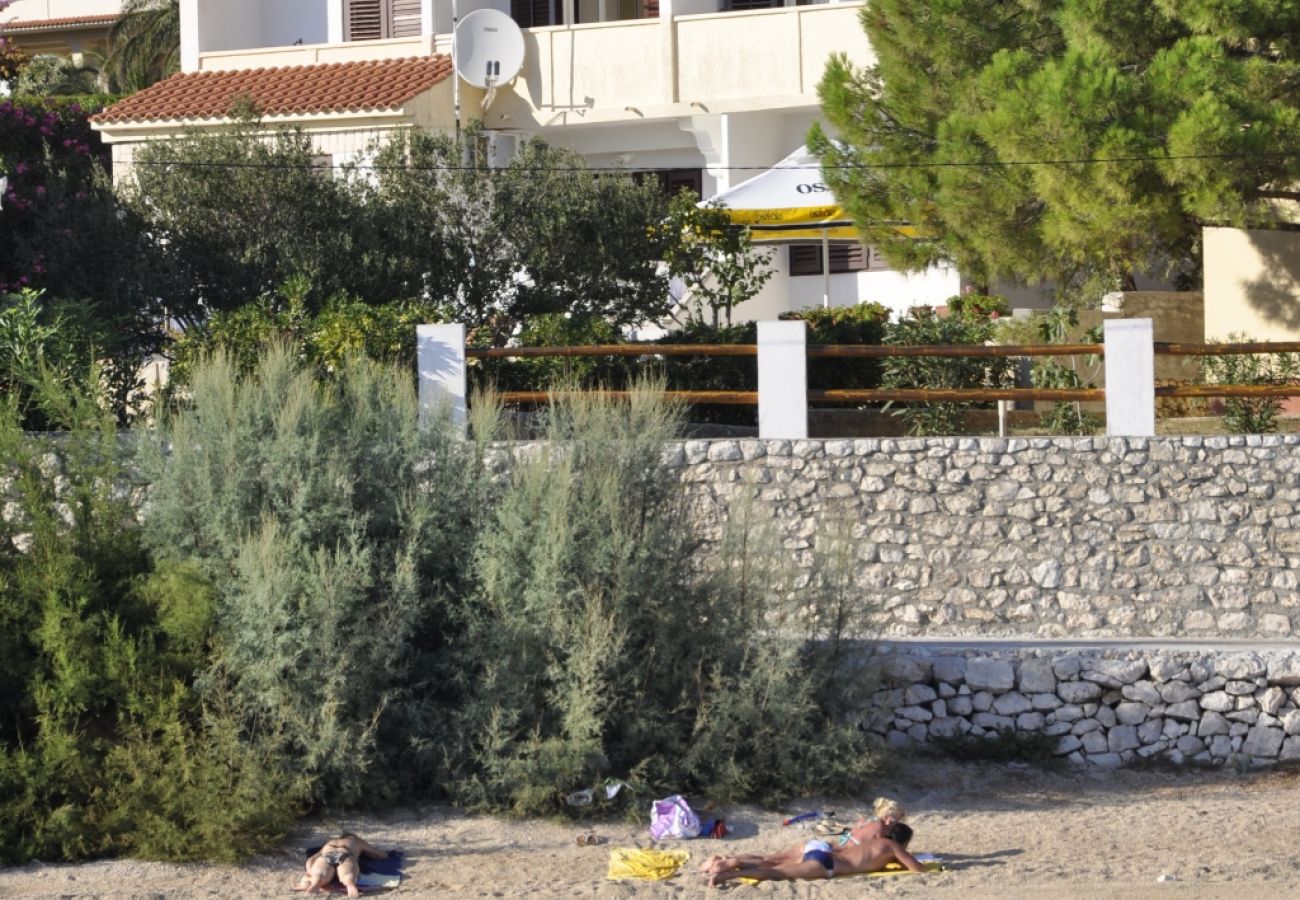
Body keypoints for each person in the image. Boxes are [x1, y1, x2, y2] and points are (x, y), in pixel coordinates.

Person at [699, 796, 907, 877]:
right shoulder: (881, 830)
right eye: (896, 818)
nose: (896, 822)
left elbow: (849, 838)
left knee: (770, 858)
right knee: (776, 869)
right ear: (889, 816)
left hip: (817, 844)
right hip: (828, 853)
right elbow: (870, 853)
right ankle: (729, 865)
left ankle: (724, 859)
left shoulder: (864, 819)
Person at [705, 821, 924, 886]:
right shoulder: (892, 847)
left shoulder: (876, 841)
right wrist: (939, 867)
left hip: (821, 851)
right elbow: (917, 869)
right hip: (827, 865)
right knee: (778, 873)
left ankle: (732, 861)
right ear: (902, 841)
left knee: (771, 861)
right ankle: (728, 874)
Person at [299, 833, 389, 898]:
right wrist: (364, 852)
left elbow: (311, 860)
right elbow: (382, 855)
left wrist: (309, 872)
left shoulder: (330, 842)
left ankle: (315, 884)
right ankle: (350, 885)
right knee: (347, 874)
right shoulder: (356, 841)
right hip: (346, 855)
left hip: (326, 855)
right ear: (352, 836)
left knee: (319, 875)